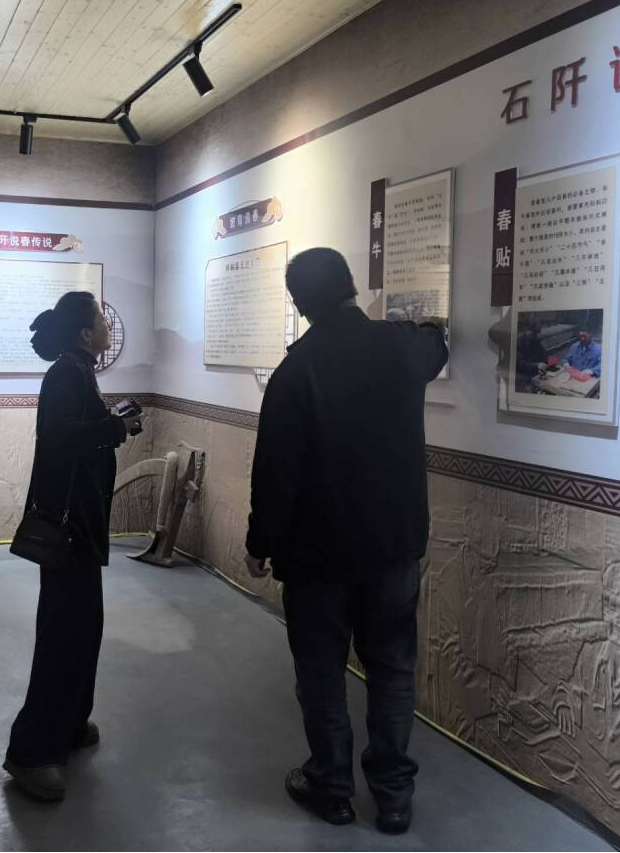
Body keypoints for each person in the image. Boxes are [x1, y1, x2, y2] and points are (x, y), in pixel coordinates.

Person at [244, 248, 447, 835]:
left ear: (300, 303)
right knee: (392, 669)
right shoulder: (401, 349)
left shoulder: (295, 372)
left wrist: (260, 542)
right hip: (392, 547)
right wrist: (428, 326)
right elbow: (435, 343)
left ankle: (331, 787)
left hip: (316, 555)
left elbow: (275, 471)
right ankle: (394, 797)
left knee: (321, 672)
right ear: (352, 286)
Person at [3, 291, 143, 801]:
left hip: (83, 526)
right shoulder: (66, 373)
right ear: (86, 334)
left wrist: (111, 425)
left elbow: (78, 434)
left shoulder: (79, 369)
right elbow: (59, 437)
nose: (108, 327)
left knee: (84, 631)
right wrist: (115, 426)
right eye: (102, 321)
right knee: (63, 637)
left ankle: (69, 724)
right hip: (69, 529)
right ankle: (31, 753)